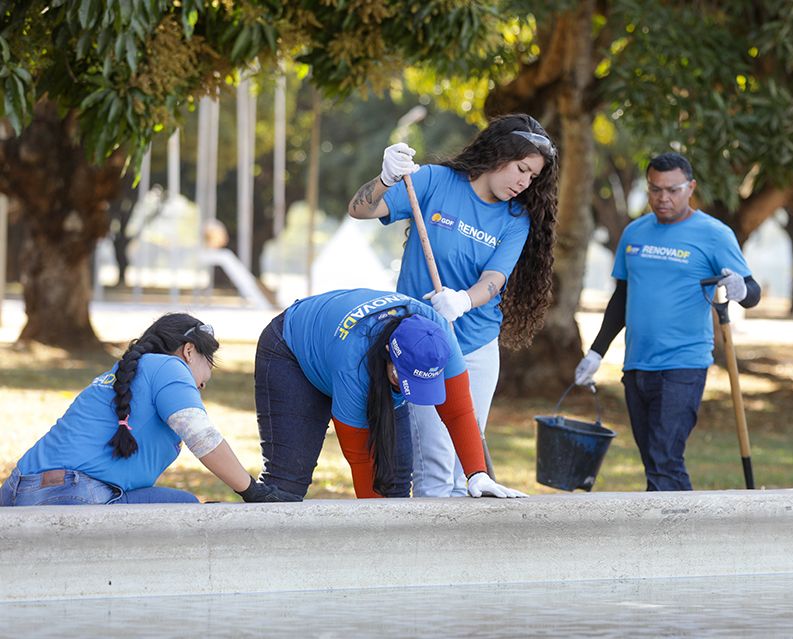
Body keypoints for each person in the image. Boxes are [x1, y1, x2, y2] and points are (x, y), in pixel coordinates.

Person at [347, 114, 558, 497]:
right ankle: (431, 553)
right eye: (521, 169)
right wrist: (386, 179)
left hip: (476, 345)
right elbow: (360, 210)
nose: (524, 183)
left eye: (532, 177)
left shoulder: (516, 219)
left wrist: (462, 300)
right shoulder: (432, 182)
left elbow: (494, 280)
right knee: (436, 465)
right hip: (422, 346)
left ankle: (462, 553)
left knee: (469, 470)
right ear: (499, 154)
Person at [573, 152, 762, 491]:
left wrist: (738, 289)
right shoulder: (634, 233)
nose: (663, 198)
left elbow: (752, 291)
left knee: (665, 459)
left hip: (683, 365)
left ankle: (672, 538)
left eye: (672, 190)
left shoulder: (713, 234)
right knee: (655, 462)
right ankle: (671, 535)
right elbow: (621, 298)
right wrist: (597, 352)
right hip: (637, 365)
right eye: (655, 190)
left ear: (690, 187)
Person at [253, 287, 522, 500]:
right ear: (388, 356)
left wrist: (478, 475)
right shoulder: (354, 366)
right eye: (403, 379)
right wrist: (377, 536)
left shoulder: (440, 342)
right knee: (286, 484)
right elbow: (361, 460)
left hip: (338, 345)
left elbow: (459, 413)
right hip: (292, 351)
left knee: (395, 482)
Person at [0, 313, 291, 506]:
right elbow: (202, 437)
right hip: (70, 494)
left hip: (15, 490)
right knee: (190, 511)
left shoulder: (127, 373)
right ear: (189, 350)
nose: (203, 384)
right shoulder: (169, 366)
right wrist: (252, 491)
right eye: (208, 366)